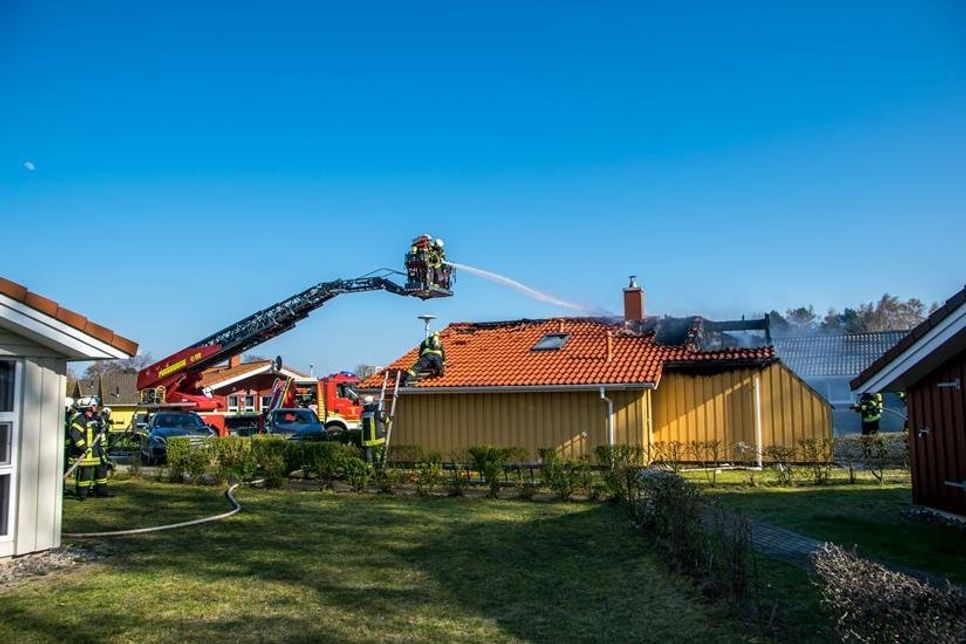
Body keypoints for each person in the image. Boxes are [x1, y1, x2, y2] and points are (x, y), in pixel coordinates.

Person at [69, 399, 111, 499]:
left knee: (102, 472)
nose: (96, 407)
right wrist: (84, 448)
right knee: (85, 476)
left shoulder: (95, 419)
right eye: (94, 405)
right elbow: (75, 436)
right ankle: (83, 495)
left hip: (98, 453)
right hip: (86, 455)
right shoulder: (80, 420)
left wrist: (104, 426)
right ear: (88, 407)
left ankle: (101, 493)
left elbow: (102, 429)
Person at [359, 395, 390, 462]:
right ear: (372, 403)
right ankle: (378, 462)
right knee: (380, 449)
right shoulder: (376, 412)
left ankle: (369, 468)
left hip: (366, 438)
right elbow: (386, 420)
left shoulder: (363, 413)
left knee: (368, 451)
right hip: (377, 437)